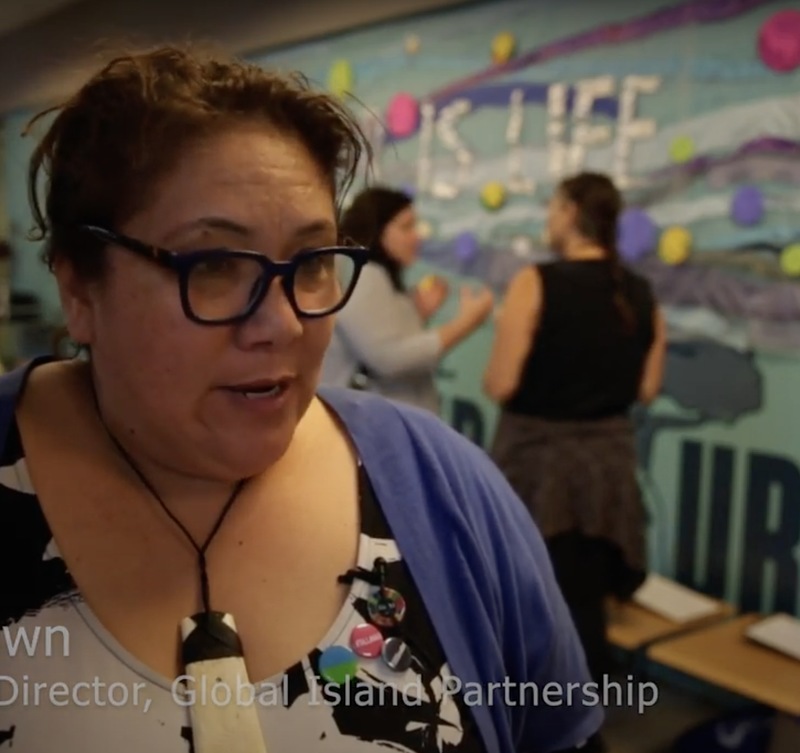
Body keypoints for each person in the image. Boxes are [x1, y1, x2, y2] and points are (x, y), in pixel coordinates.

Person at [0, 47, 604, 753]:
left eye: (312, 261)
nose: (284, 323)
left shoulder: (442, 486)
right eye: (215, 264)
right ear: (79, 288)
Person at [483, 172, 667, 689]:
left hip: (538, 472)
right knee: (584, 610)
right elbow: (648, 387)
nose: (549, 218)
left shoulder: (536, 282)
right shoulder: (641, 293)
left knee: (528, 614)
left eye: (552, 207)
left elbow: (499, 382)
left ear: (570, 212)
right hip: (608, 475)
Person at [321, 186, 492, 413]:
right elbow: (388, 359)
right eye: (406, 227)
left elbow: (380, 338)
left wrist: (417, 312)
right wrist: (464, 324)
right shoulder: (366, 274)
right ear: (378, 230)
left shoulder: (376, 275)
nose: (417, 236)